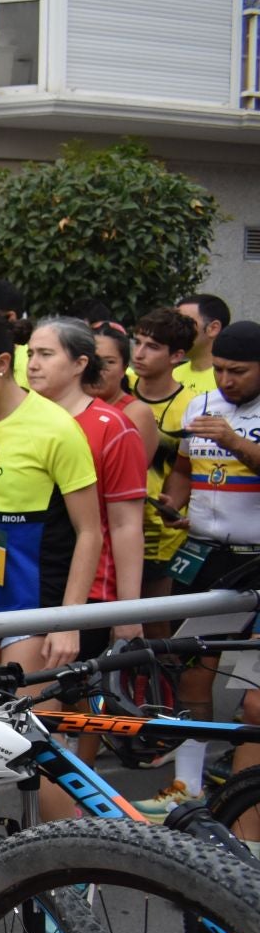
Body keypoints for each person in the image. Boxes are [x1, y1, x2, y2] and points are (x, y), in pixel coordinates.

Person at [0, 310, 101, 692]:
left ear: (2, 363)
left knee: (29, 734)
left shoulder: (57, 428)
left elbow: (90, 532)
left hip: (36, 596)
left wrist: (69, 621)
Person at [25, 318, 147, 821]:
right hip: (29, 589)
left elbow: (123, 525)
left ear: (80, 364)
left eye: (47, 354)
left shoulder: (111, 426)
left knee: (66, 735)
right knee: (33, 731)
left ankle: (83, 848)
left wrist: (129, 612)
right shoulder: (20, 420)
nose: (33, 363)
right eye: (29, 352)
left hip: (89, 597)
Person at [149, 319, 260, 816]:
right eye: (218, 369)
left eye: (238, 371)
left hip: (257, 559)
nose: (225, 380)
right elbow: (183, 468)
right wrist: (172, 501)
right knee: (193, 675)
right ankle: (187, 787)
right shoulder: (201, 403)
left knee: (253, 697)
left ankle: (242, 808)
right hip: (206, 553)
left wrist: (236, 442)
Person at [131, 307, 203, 625]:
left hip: (160, 535)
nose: (140, 353)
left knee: (154, 628)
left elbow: (189, 470)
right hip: (113, 524)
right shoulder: (119, 386)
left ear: (177, 356)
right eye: (138, 342)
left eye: (153, 346)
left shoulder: (192, 408)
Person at [89, 321, 157, 466]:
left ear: (124, 368)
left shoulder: (136, 413)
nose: (99, 369)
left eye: (109, 362)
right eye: (93, 360)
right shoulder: (65, 406)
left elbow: (130, 474)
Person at [176, 293, 231, 399]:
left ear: (213, 328)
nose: (174, 330)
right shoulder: (172, 375)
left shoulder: (231, 381)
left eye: (185, 323)